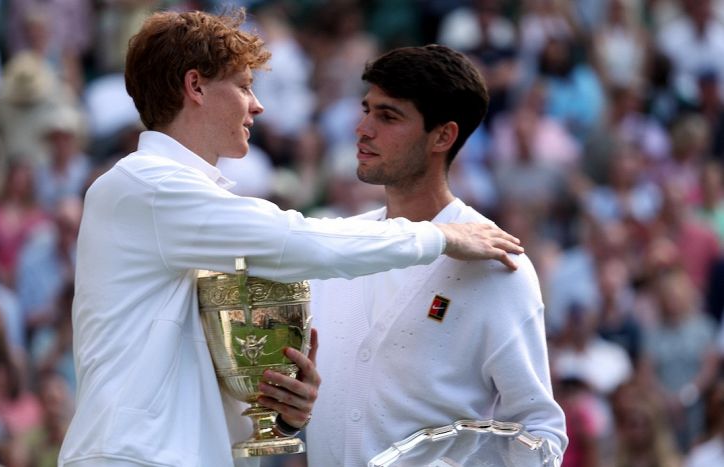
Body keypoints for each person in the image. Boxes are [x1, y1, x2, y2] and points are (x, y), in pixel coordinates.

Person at [59, 9, 524, 467]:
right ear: (195, 86)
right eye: (243, 86)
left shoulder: (185, 203)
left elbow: (204, 379)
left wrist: (280, 417)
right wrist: (440, 236)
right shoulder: (145, 186)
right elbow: (301, 240)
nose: (257, 105)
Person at [306, 44, 568, 467]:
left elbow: (541, 437)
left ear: (443, 136)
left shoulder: (497, 266)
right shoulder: (341, 244)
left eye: (387, 116)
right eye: (366, 110)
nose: (362, 128)